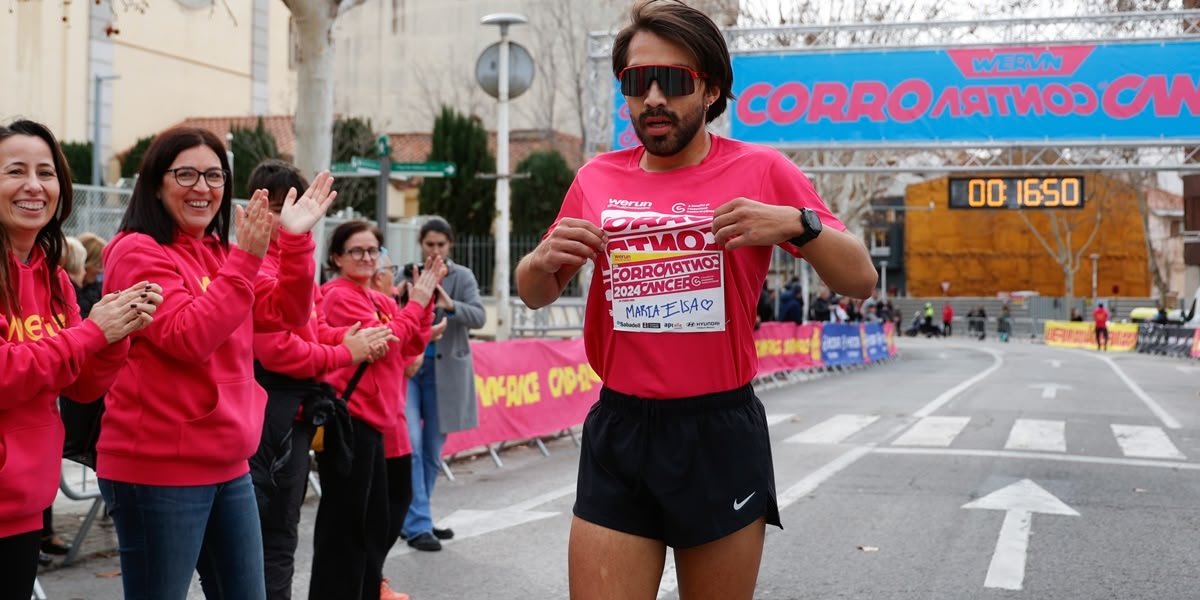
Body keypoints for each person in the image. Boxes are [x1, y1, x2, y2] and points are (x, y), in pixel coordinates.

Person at [513, 2, 877, 597]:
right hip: (621, 429)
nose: (653, 97)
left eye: (674, 80)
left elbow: (861, 280)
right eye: (636, 83)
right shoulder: (596, 179)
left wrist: (796, 224)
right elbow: (534, 293)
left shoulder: (762, 170)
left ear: (709, 90)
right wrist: (540, 259)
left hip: (718, 431)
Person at [97, 126, 335, 600]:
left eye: (214, 175)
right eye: (185, 174)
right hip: (159, 465)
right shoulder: (135, 250)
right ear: (155, 183)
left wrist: (294, 243)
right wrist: (246, 261)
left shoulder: (220, 253)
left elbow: (286, 314)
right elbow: (188, 337)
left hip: (229, 461)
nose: (202, 188)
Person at [0, 119, 161, 600]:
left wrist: (116, 332)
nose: (34, 185)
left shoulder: (54, 277)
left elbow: (83, 386)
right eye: (15, 171)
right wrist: (91, 333)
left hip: (26, 501)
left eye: (46, 173)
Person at [245, 160, 394, 600]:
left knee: (287, 535)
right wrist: (345, 351)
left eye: (295, 203)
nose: (284, 214)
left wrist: (339, 339)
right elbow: (277, 349)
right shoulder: (258, 263)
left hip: (304, 414)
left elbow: (304, 329)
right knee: (264, 537)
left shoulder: (294, 261)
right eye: (275, 206)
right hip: (271, 416)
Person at [311, 220, 444, 600]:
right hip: (353, 418)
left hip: (378, 420)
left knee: (377, 520)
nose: (367, 258)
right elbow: (384, 342)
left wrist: (426, 297)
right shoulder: (338, 294)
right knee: (348, 525)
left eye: (373, 251)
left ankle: (368, 589)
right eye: (357, 251)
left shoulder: (381, 299)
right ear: (336, 257)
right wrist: (415, 305)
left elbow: (409, 343)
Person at [401, 216, 487, 552]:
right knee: (411, 442)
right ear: (421, 245)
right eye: (429, 244)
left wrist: (448, 305)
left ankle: (413, 518)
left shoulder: (462, 276)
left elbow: (479, 316)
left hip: (447, 372)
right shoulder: (407, 272)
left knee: (432, 452)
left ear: (449, 245)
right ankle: (419, 523)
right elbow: (392, 308)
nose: (434, 250)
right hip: (410, 367)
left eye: (440, 244)